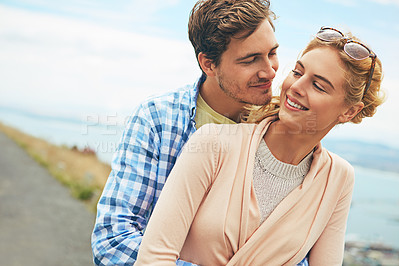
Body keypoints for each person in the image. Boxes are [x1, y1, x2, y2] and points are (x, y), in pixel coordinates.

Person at [135, 27, 385, 265]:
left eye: (318, 85)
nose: (295, 87)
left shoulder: (338, 178)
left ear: (349, 111)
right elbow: (153, 258)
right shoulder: (213, 142)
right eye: (297, 73)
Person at [91, 0, 281, 265]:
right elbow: (113, 240)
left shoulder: (282, 127)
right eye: (250, 59)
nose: (270, 70)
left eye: (272, 53)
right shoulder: (157, 118)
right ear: (209, 64)